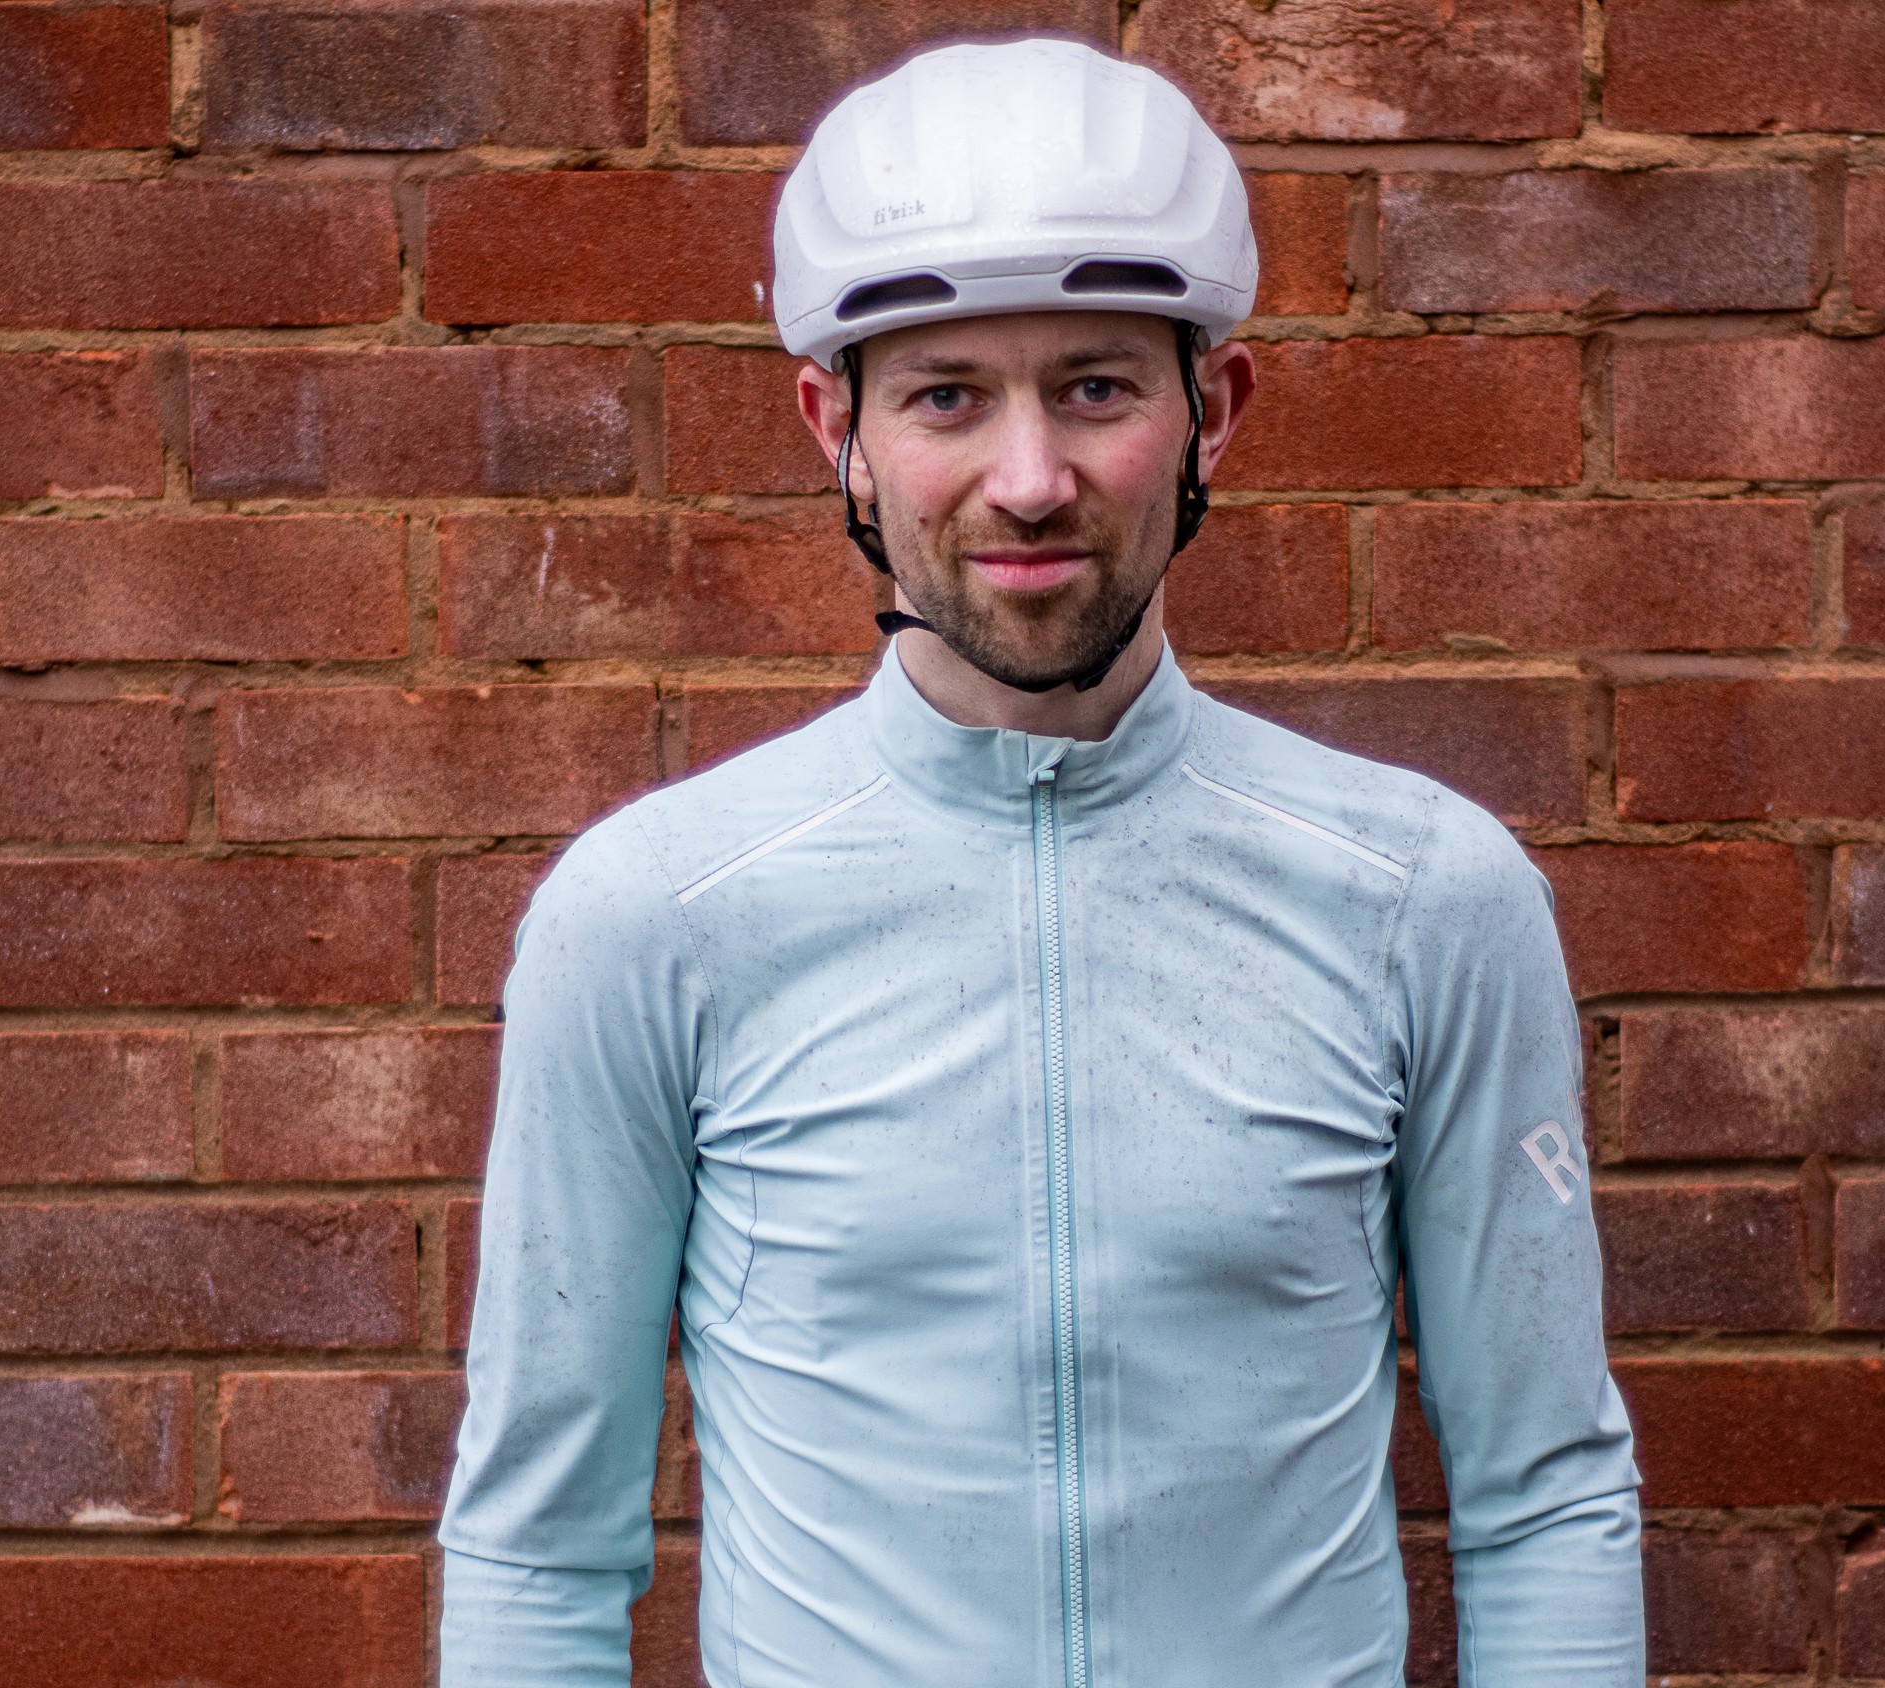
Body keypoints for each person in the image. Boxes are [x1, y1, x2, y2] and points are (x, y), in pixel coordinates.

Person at [439, 38, 1642, 1688]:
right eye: (946, 394)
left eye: (1095, 386)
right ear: (836, 426)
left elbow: (1544, 1496)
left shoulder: (1425, 898)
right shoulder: (655, 917)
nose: (1028, 479)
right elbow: (538, 1541)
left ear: (1210, 409)